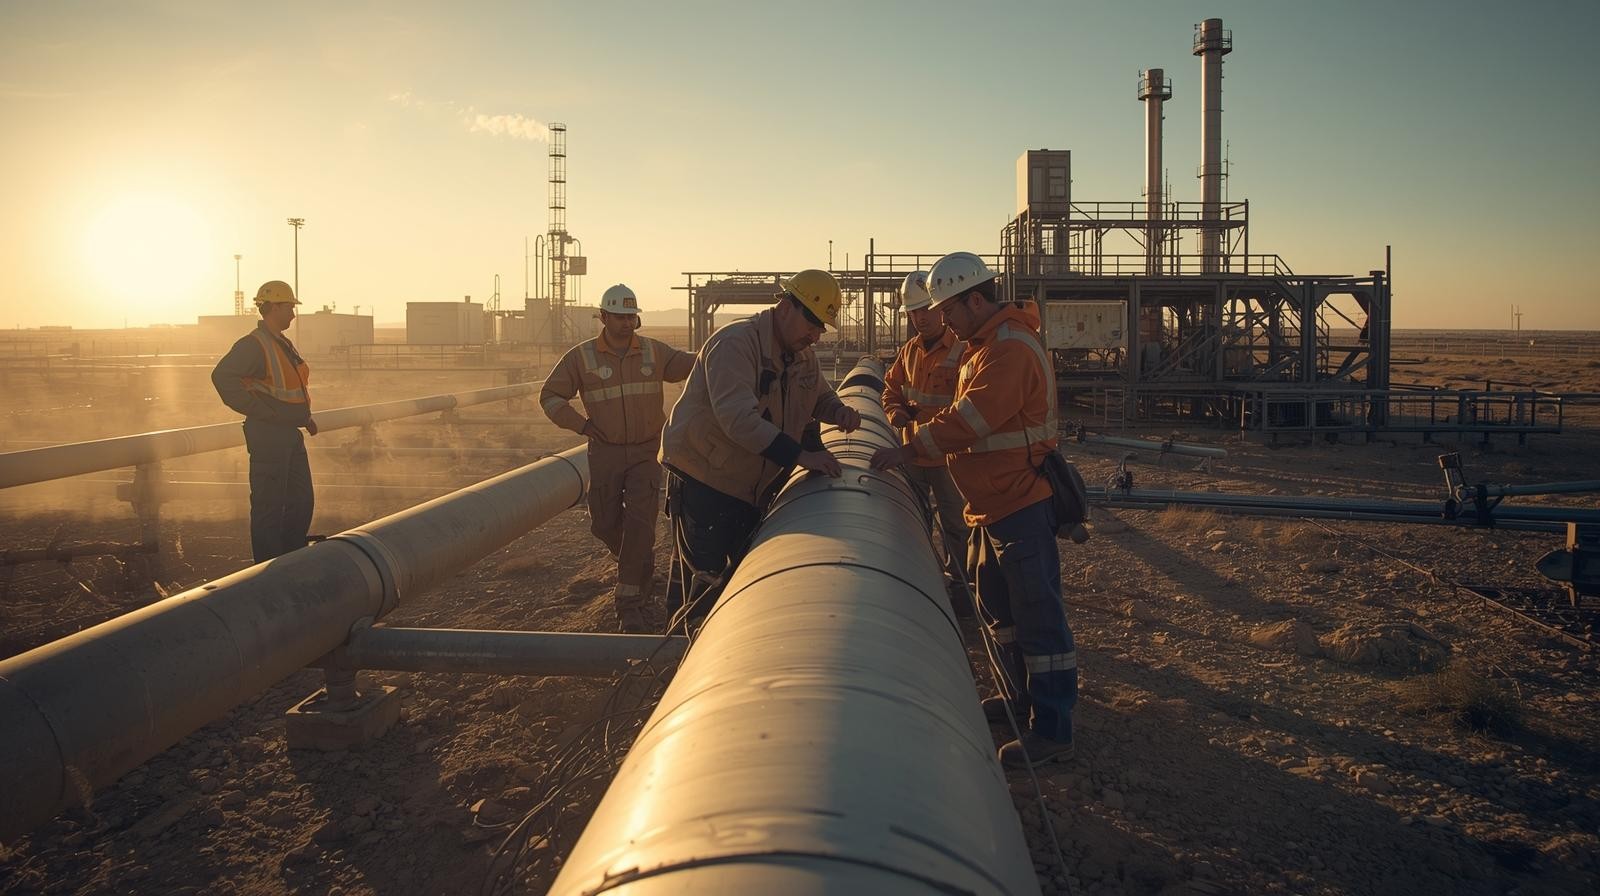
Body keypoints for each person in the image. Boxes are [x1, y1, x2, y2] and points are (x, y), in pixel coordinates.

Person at [870, 252, 1076, 769]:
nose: (944, 321)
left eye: (949, 310)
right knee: (1000, 613)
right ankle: (1016, 701)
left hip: (1021, 502)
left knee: (1037, 617)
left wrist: (908, 446)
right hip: (989, 505)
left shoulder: (1008, 350)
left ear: (976, 300)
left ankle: (1051, 728)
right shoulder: (982, 345)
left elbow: (969, 420)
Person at [658, 269, 861, 629]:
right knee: (704, 583)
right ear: (786, 306)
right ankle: (680, 659)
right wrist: (801, 456)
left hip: (749, 485)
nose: (815, 336)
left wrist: (838, 411)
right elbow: (738, 419)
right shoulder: (736, 344)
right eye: (812, 323)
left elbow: (819, 395)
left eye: (821, 328)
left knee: (736, 580)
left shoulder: (801, 355)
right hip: (706, 481)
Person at [541, 284, 695, 633]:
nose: (627, 323)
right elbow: (550, 396)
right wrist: (581, 426)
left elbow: (687, 364)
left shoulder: (654, 352)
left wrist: (719, 348)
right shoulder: (581, 358)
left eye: (631, 317)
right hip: (605, 451)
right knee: (604, 522)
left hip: (646, 451)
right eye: (620, 317)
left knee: (641, 521)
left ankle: (629, 603)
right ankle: (639, 564)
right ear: (604, 316)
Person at [881, 270, 973, 616]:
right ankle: (920, 581)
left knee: (957, 525)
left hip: (950, 458)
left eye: (925, 310)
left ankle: (962, 588)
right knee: (913, 521)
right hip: (913, 456)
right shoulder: (909, 352)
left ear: (940, 308)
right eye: (913, 313)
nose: (920, 318)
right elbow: (890, 389)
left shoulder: (962, 350)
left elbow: (967, 408)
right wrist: (895, 413)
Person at [211, 280, 317, 564]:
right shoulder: (253, 346)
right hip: (269, 435)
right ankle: (269, 569)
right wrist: (261, 412)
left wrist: (304, 418)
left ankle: (291, 559)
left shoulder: (281, 343)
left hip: (289, 434)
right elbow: (222, 377)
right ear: (271, 308)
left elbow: (287, 387)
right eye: (288, 308)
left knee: (301, 501)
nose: (293, 314)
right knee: (270, 507)